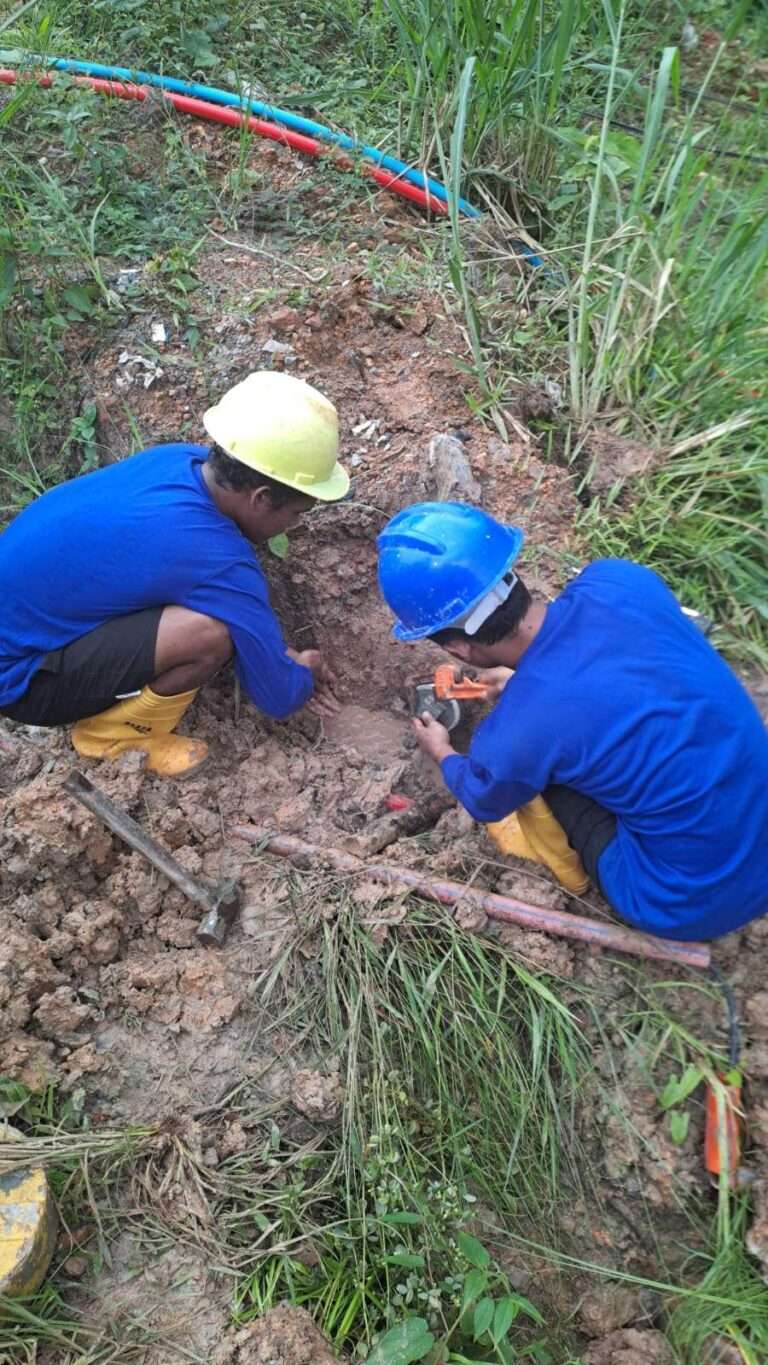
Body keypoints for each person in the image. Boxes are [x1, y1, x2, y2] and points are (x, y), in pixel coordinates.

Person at [377, 501, 768, 942]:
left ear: (458, 649)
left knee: (543, 778)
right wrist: (527, 681)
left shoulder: (518, 733)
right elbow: (602, 662)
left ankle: (586, 878)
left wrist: (443, 752)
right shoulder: (619, 580)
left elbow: (485, 799)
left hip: (682, 900)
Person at [0, 370, 349, 777]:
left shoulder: (177, 460)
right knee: (209, 635)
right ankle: (110, 736)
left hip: (23, 627)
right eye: (296, 513)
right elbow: (278, 696)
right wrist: (304, 670)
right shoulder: (215, 557)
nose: (295, 525)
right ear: (261, 498)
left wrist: (277, 653)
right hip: (19, 680)